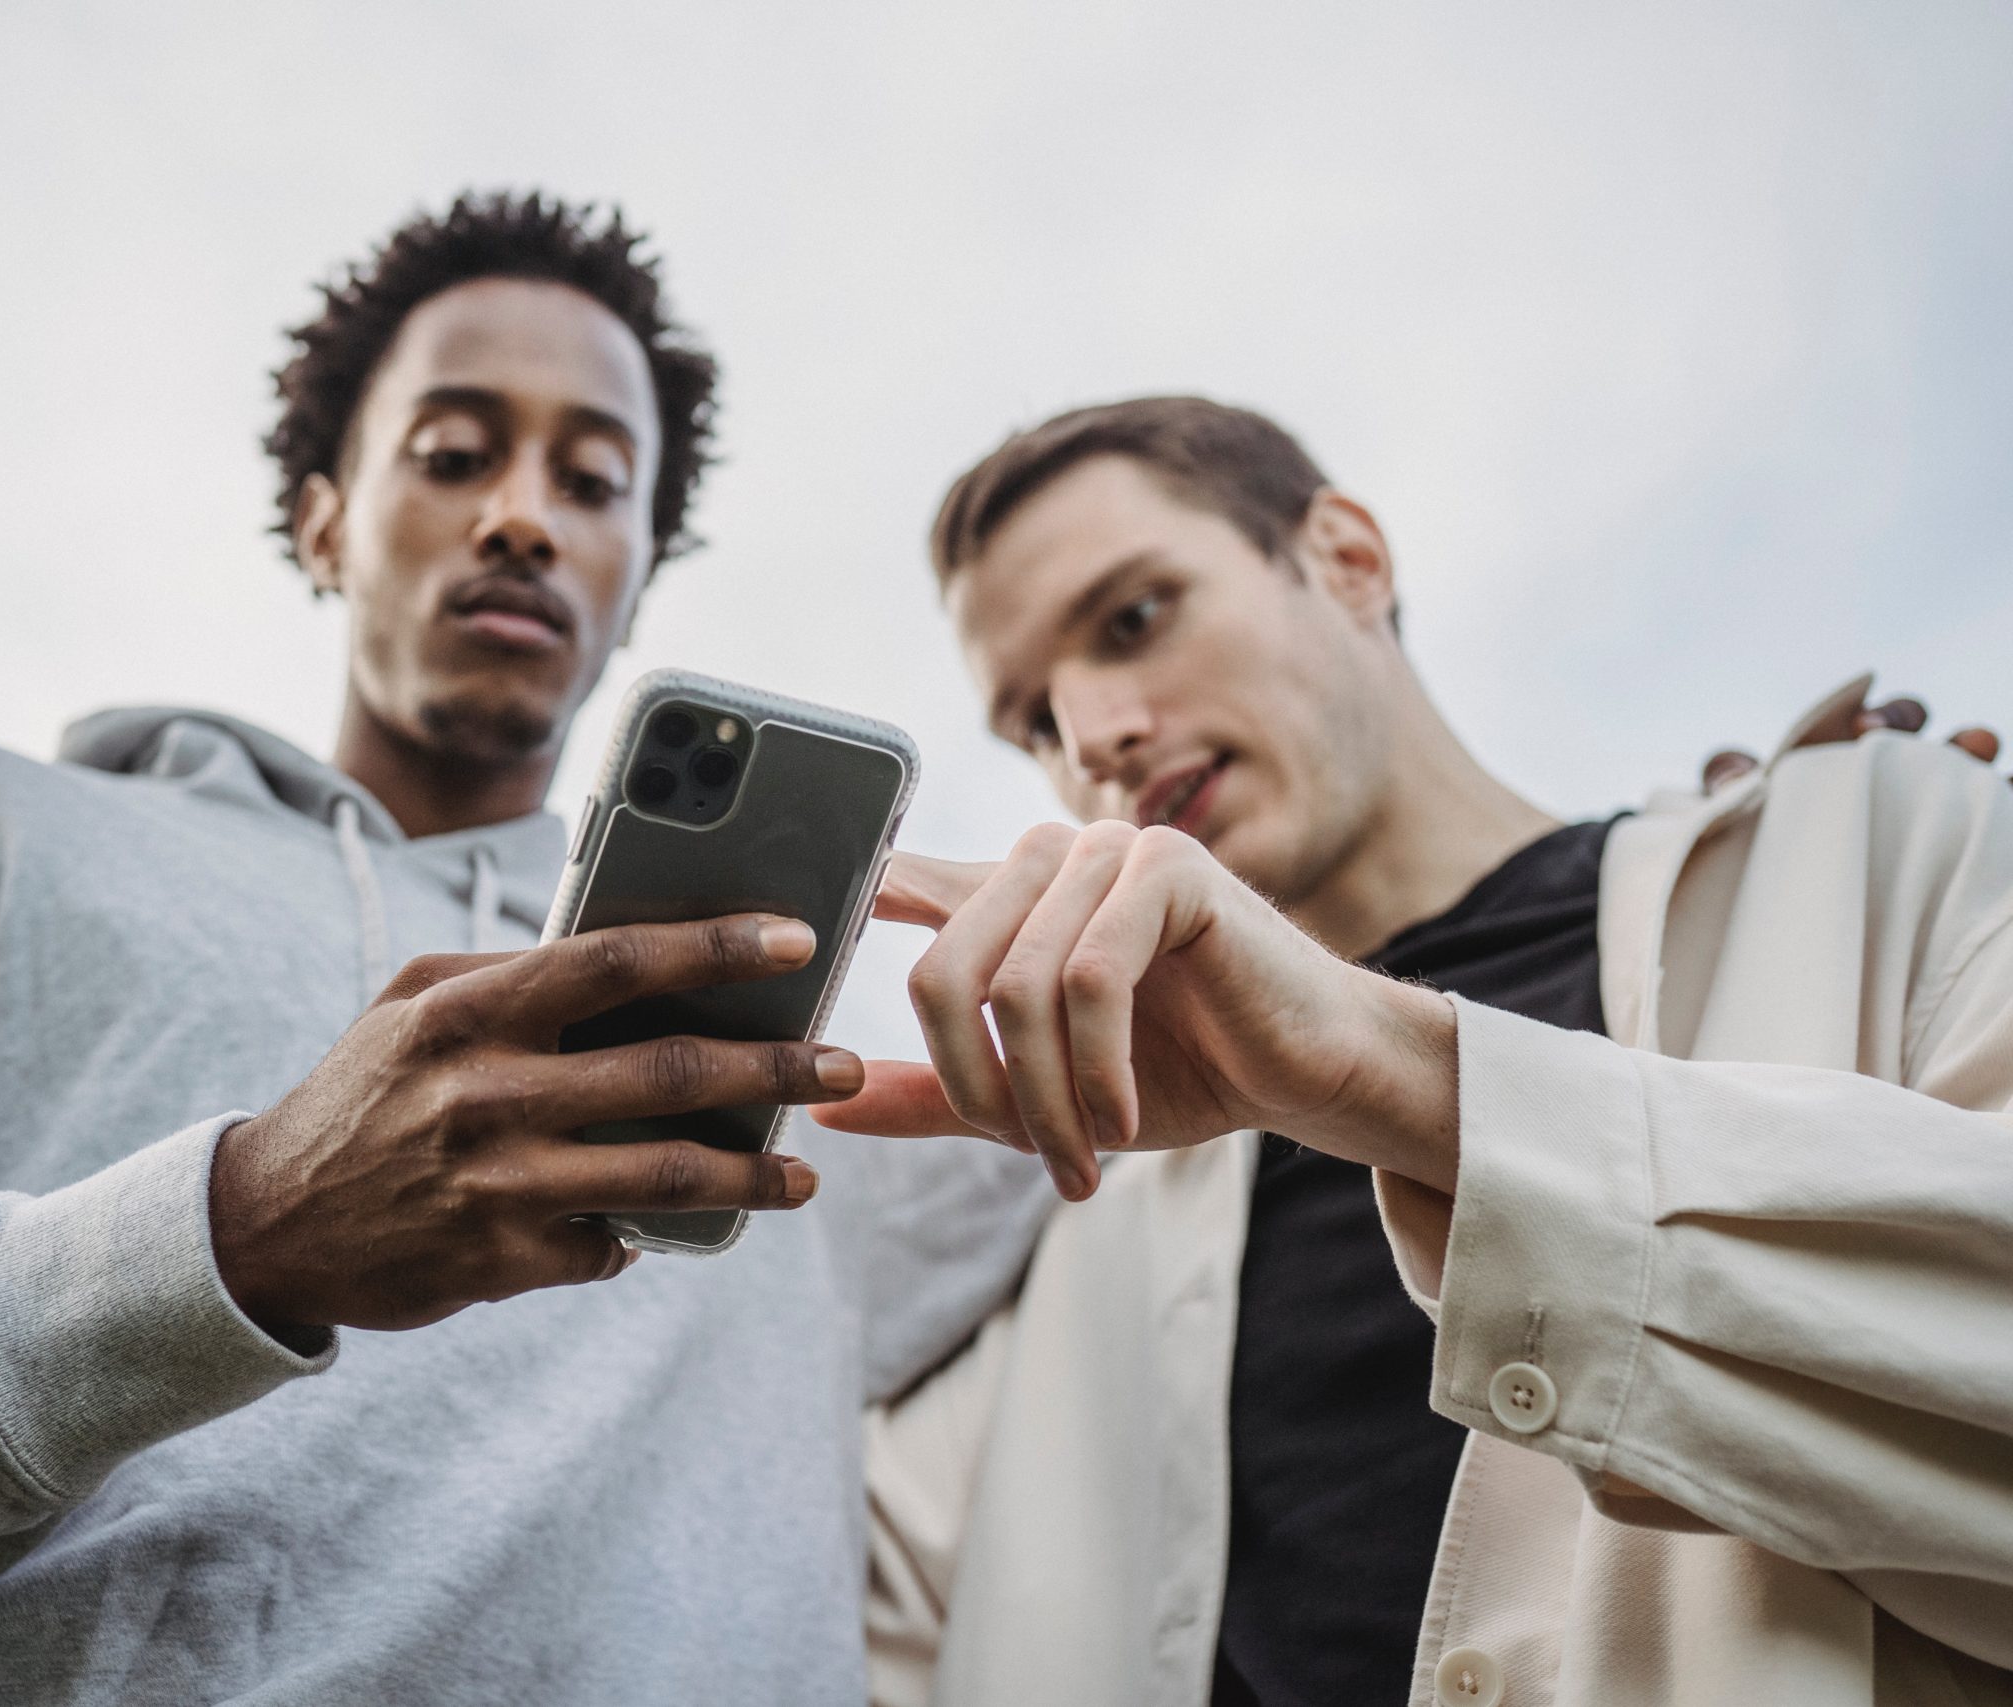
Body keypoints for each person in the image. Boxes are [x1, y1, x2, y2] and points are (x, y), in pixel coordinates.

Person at [0, 192, 1042, 1707]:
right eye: (453, 454)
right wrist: (232, 1235)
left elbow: (1155, 1226)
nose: (520, 517)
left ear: (634, 587)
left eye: (593, 482)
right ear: (324, 521)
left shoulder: (813, 1068)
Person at [824, 397, 2013, 1706]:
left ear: (1347, 559)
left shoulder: (1878, 851)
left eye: (1134, 618)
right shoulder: (1074, 1241)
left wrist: (1393, 1078)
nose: (1093, 734)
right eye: (1036, 727)